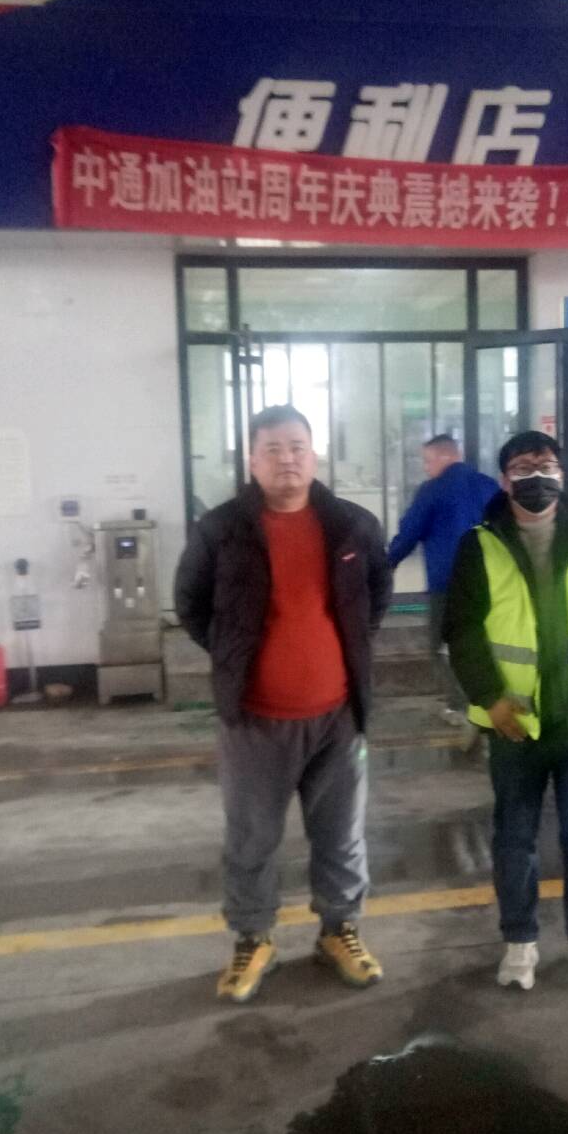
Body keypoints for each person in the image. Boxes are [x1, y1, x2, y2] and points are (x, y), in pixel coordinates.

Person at [175, 404, 393, 1004]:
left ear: (313, 455)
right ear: (251, 460)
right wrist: (235, 657)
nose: (286, 459)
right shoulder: (220, 529)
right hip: (254, 720)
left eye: (296, 446)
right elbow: (190, 604)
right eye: (272, 449)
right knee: (252, 838)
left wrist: (345, 649)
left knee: (341, 837)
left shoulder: (352, 525)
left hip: (338, 717)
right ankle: (254, 938)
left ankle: (339, 930)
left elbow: (377, 592)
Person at [443, 430, 568, 993]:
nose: (537, 475)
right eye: (523, 466)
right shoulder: (480, 545)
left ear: (562, 474)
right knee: (514, 837)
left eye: (547, 464)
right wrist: (490, 697)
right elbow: (461, 632)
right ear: (504, 479)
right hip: (514, 725)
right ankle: (520, 942)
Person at [387, 434, 499, 719]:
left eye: (428, 461)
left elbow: (410, 531)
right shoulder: (489, 486)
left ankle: (460, 706)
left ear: (446, 456)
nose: (426, 468)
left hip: (446, 584)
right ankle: (488, 700)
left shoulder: (432, 490)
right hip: (491, 584)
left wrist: (388, 563)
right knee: (484, 640)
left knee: (442, 646)